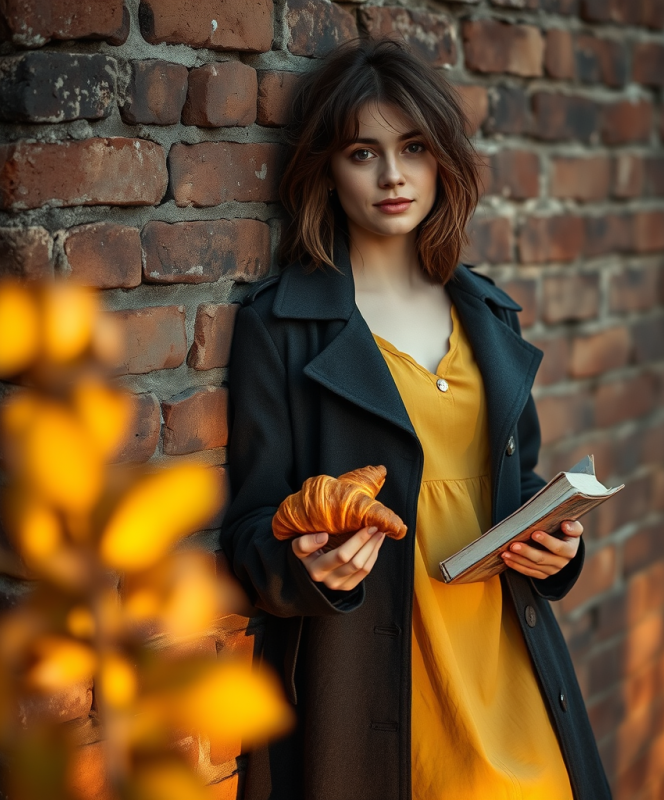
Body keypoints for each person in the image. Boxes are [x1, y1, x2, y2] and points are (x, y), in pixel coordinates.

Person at [221, 39, 611, 800]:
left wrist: (558, 547)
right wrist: (307, 569)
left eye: (413, 148)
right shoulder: (282, 325)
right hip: (377, 689)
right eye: (363, 152)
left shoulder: (488, 311)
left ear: (442, 163)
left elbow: (518, 482)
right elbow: (249, 530)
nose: (393, 175)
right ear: (328, 172)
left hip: (511, 664)